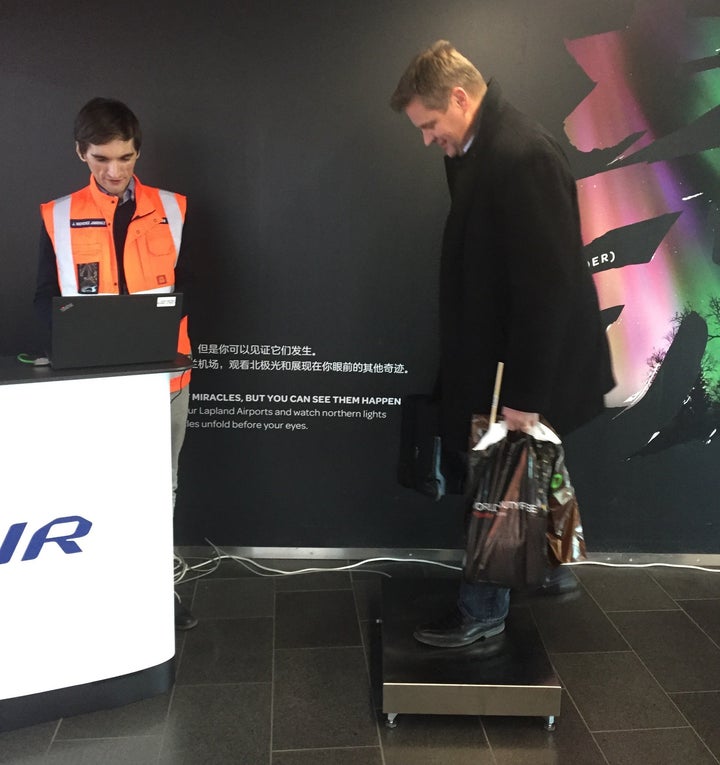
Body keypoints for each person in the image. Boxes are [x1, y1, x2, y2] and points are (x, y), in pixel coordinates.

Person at [390, 41, 615, 648]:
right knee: (527, 469)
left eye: (430, 124)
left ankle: (482, 611)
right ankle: (550, 571)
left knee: (495, 479)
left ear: (460, 98)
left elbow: (548, 288)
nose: (427, 138)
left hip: (520, 365)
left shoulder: (522, 156)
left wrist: (522, 395)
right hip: (496, 354)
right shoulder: (475, 147)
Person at [34, 97, 198, 631]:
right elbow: (43, 300)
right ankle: (101, 597)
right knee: (96, 491)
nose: (114, 170)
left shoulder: (172, 208)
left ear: (137, 153)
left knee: (159, 489)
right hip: (91, 388)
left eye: (125, 158)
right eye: (102, 158)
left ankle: (156, 593)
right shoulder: (57, 215)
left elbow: (189, 290)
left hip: (164, 383)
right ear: (81, 152)